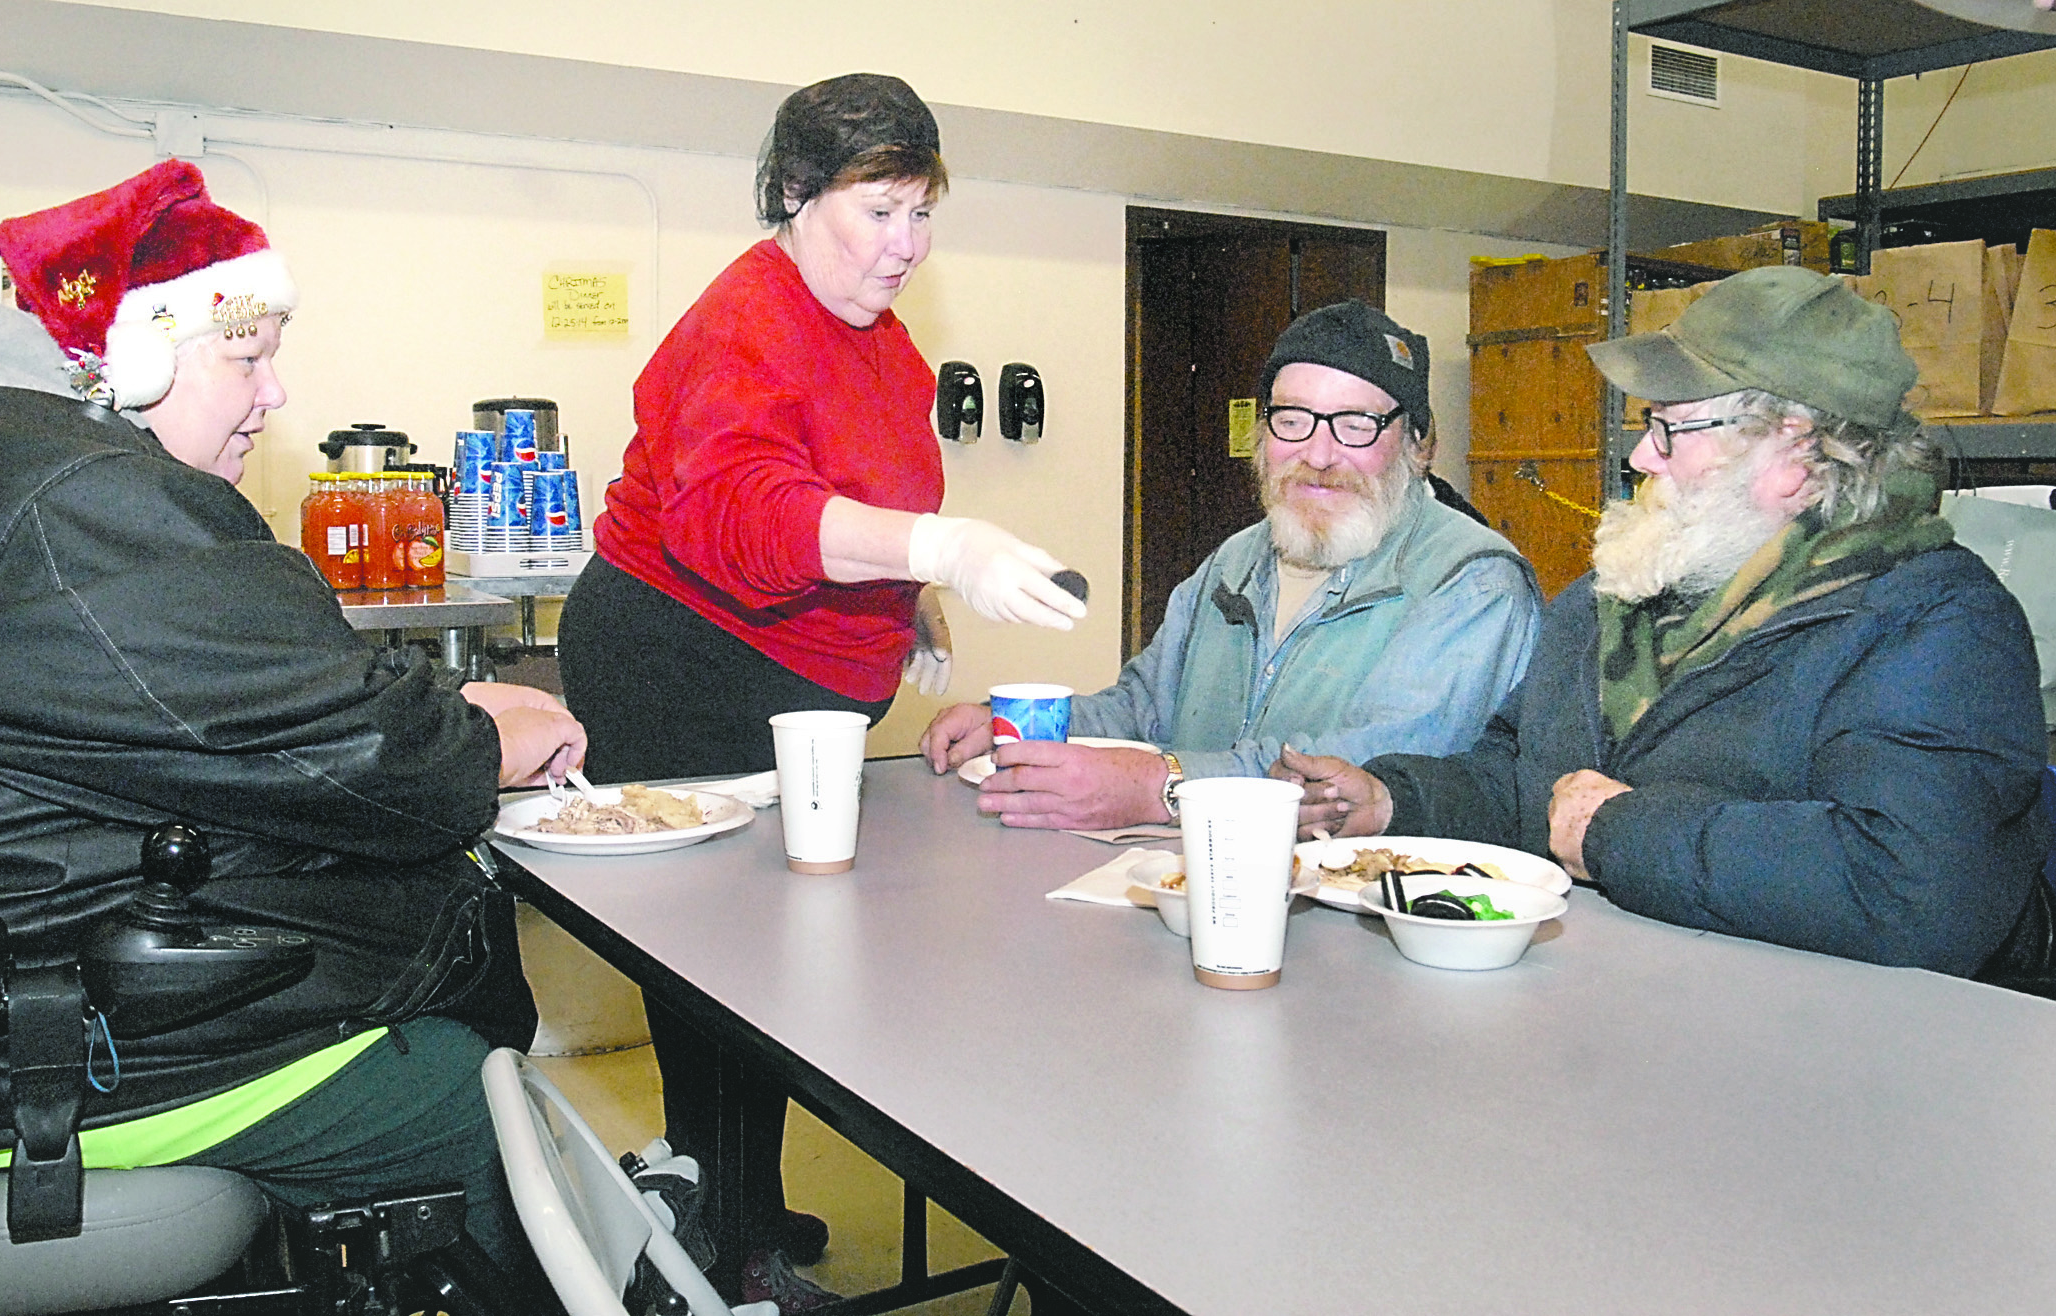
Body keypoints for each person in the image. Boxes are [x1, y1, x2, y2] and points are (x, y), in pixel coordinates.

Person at [0, 161, 588, 1281]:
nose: (272, 396)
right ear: (130, 357)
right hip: (23, 1045)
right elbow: (367, 760)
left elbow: (222, 711)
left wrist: (428, 713)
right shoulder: (76, 499)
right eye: (248, 357)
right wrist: (491, 734)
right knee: (471, 1099)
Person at [553, 73, 1082, 1307]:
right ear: (794, 193)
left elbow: (868, 483)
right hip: (682, 652)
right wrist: (938, 551)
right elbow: (744, 516)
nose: (907, 245)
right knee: (723, 959)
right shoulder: (750, 319)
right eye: (879, 211)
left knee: (787, 949)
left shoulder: (875, 331)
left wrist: (913, 594)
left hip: (791, 666)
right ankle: (726, 1247)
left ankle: (739, 1193)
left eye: (922, 213)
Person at [1276, 265, 2055, 986]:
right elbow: (1528, 786)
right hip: (1617, 1022)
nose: (1641, 458)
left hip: (1830, 1072)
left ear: (1798, 446)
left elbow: (1918, 894)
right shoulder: (1612, 596)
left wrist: (1620, 832)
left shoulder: (1931, 623)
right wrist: (1392, 801)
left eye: (1671, 430)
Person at [920, 301, 1542, 831]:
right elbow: (1141, 710)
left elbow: (1358, 774)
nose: (1318, 454)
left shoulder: (1473, 583)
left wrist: (1157, 786)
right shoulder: (1235, 561)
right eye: (1292, 421)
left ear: (1417, 445)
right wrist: (1022, 732)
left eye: (1356, 426)